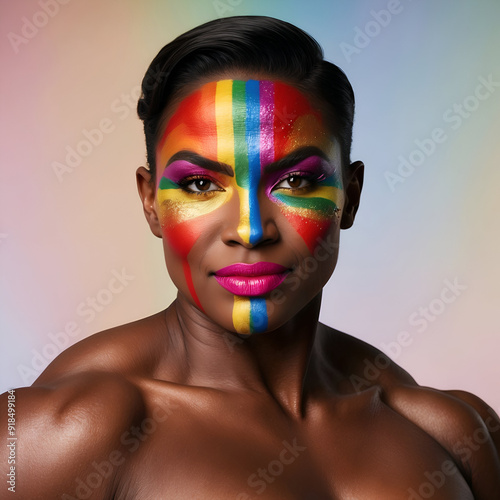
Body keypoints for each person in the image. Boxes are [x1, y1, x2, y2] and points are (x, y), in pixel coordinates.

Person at [1, 15, 499, 500]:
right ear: (151, 202)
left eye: (296, 181)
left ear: (351, 194)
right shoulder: (52, 437)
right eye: (200, 185)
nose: (250, 229)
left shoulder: (453, 430)